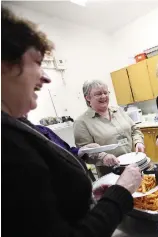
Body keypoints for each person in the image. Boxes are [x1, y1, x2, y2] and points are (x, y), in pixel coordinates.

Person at [1, 7, 142, 237]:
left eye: (106, 93)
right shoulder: (8, 145)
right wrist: (121, 192)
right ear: (5, 64)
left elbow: (54, 197)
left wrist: (87, 198)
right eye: (37, 61)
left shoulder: (22, 127)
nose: (46, 77)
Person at [74, 80, 145, 176]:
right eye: (98, 94)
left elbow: (134, 130)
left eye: (105, 92)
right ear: (87, 98)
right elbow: (85, 152)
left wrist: (138, 142)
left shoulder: (118, 110)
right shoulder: (81, 122)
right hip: (110, 173)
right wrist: (103, 157)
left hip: (134, 165)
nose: (103, 96)